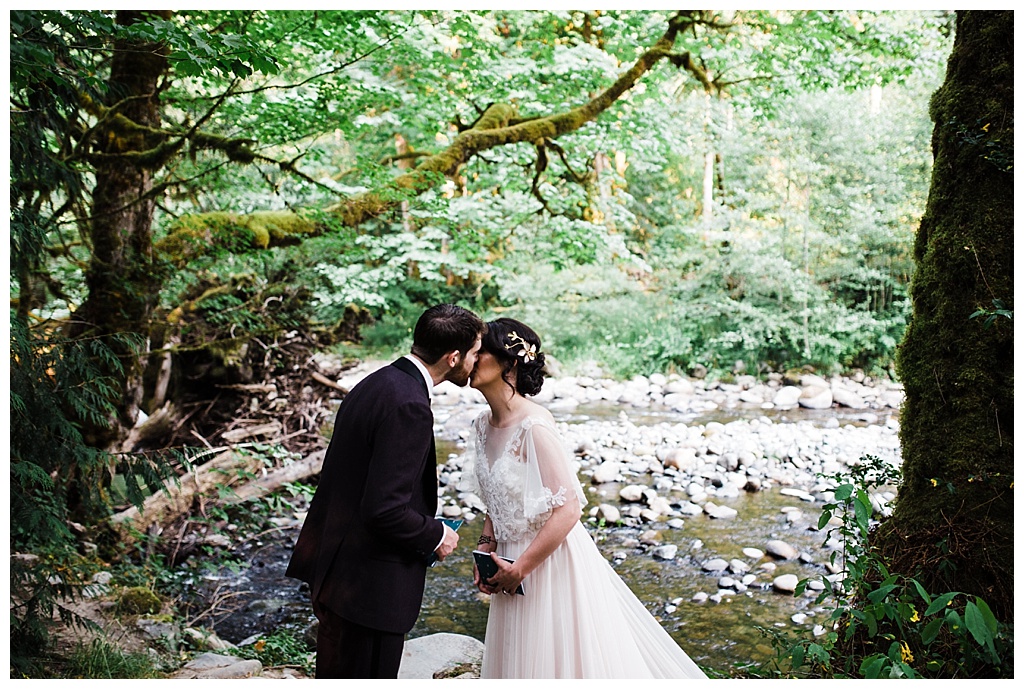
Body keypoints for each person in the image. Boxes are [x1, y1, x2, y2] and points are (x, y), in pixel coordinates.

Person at [467, 318, 708, 679]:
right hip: (509, 562)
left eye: (481, 351)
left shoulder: (535, 426)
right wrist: (486, 548)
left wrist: (522, 568)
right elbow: (496, 500)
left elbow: (569, 509)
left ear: (510, 363)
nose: (471, 358)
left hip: (548, 563)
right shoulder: (481, 426)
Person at [285, 304, 485, 678]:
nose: (477, 361)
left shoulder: (376, 382)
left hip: (337, 575)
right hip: (368, 592)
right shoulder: (409, 404)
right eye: (474, 352)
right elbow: (385, 510)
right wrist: (436, 534)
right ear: (453, 357)